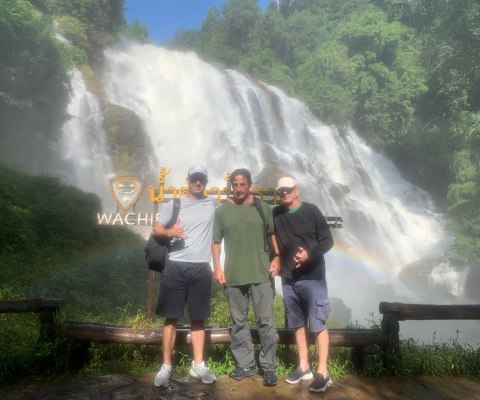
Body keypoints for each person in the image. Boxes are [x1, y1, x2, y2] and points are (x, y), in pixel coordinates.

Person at [212, 168, 281, 387]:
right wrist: (217, 268)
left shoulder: (262, 208)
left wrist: (277, 257)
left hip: (261, 273)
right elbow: (215, 243)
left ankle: (268, 367)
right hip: (233, 275)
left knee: (266, 322)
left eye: (243, 184)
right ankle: (246, 365)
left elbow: (272, 235)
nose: (239, 188)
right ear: (231, 186)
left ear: (249, 185)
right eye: (235, 184)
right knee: (239, 323)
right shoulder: (222, 211)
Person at [152, 165, 218, 387]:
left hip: (201, 267)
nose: (198, 182)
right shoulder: (175, 204)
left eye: (201, 179)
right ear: (187, 179)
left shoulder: (213, 204)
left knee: (198, 317)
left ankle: (198, 364)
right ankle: (166, 366)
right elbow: (156, 228)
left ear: (206, 181)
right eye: (194, 178)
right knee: (171, 317)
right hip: (176, 266)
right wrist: (171, 232)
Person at [273, 176, 334, 393]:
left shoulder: (312, 211)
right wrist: (276, 258)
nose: (284, 194)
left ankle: (323, 372)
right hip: (289, 278)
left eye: (288, 190)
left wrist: (309, 254)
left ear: (297, 190)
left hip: (313, 276)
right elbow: (271, 236)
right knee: (297, 323)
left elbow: (328, 240)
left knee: (318, 323)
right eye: (280, 191)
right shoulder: (276, 213)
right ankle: (303, 366)